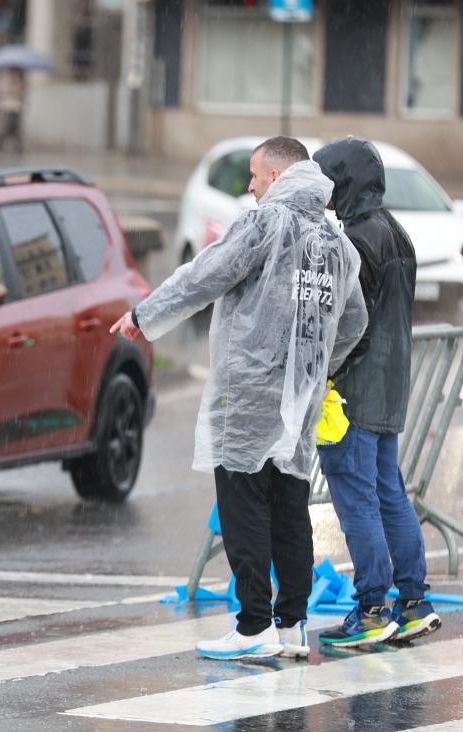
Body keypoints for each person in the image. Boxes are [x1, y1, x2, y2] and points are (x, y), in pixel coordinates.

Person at [111, 137, 368, 660]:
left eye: (254, 175)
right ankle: (292, 624)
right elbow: (354, 321)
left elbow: (205, 274)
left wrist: (145, 315)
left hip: (248, 393)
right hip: (298, 402)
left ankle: (253, 626)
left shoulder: (264, 225)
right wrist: (312, 368)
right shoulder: (339, 246)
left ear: (276, 177)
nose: (249, 186)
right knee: (289, 505)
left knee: (243, 505)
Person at [311, 137, 440, 648]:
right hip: (390, 387)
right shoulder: (396, 233)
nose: (320, 194)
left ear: (343, 182)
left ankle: (370, 609)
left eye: (325, 182)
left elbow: (351, 327)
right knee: (390, 493)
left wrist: (323, 375)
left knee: (358, 497)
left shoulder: (356, 241)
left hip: (352, 394)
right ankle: (412, 602)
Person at [0, 67, 27, 154]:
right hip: (7, 107)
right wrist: (14, 89)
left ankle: (19, 149)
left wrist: (21, 88)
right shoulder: (4, 76)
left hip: (17, 107)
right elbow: (1, 88)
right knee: (7, 128)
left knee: (16, 129)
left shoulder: (20, 77)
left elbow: (23, 91)